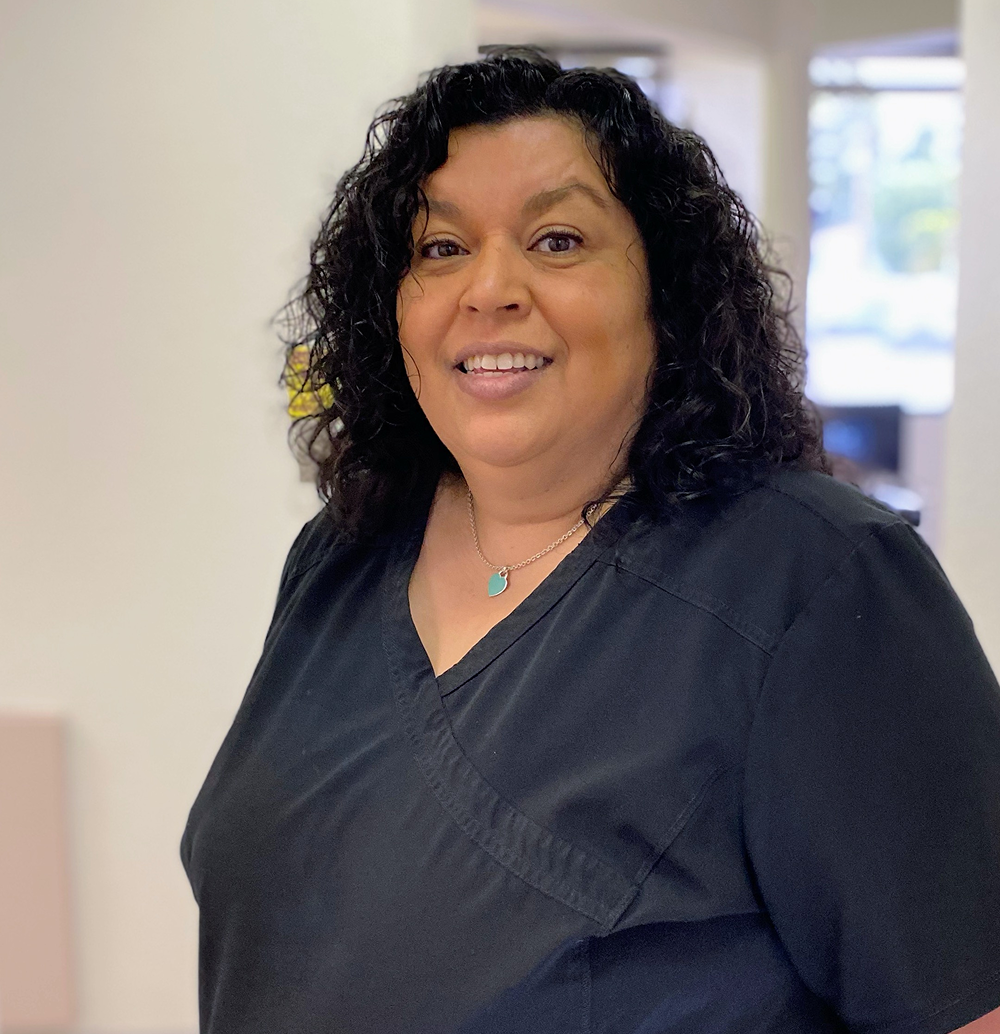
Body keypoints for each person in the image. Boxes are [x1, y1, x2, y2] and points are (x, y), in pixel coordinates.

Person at [181, 47, 1000, 1034]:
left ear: (666, 292)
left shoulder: (816, 584)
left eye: (558, 239)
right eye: (440, 248)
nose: (488, 289)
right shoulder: (341, 556)